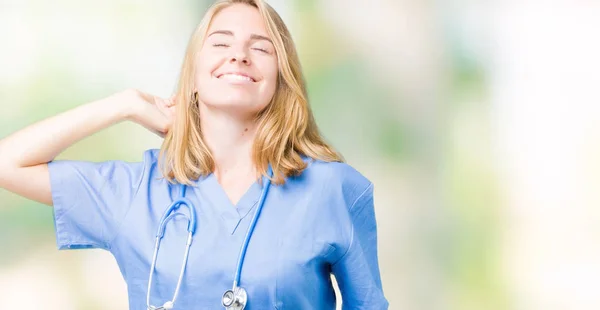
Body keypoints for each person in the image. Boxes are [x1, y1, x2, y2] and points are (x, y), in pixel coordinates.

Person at [0, 0, 389, 309]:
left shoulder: (333, 189)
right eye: (220, 43)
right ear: (193, 75)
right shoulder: (136, 191)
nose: (239, 55)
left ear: (281, 77)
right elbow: (8, 163)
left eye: (261, 47)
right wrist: (125, 104)